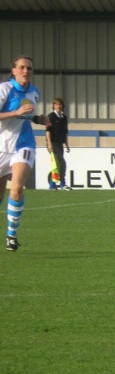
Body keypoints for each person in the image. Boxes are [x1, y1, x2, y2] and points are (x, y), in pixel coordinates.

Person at [0, 55, 48, 252]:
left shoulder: (34, 92)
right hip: (2, 145)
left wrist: (37, 118)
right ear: (13, 70)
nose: (26, 71)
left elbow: (25, 115)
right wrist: (16, 113)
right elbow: (15, 114)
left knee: (17, 188)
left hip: (23, 144)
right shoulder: (4, 89)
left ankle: (11, 235)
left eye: (29, 68)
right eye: (21, 68)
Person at [45, 97, 71, 190]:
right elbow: (48, 131)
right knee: (58, 163)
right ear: (53, 106)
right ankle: (54, 184)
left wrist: (67, 144)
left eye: (60, 104)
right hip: (53, 143)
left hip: (60, 143)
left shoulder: (64, 117)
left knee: (61, 163)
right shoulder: (50, 116)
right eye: (56, 104)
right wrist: (49, 143)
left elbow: (65, 132)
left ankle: (61, 183)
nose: (58, 106)